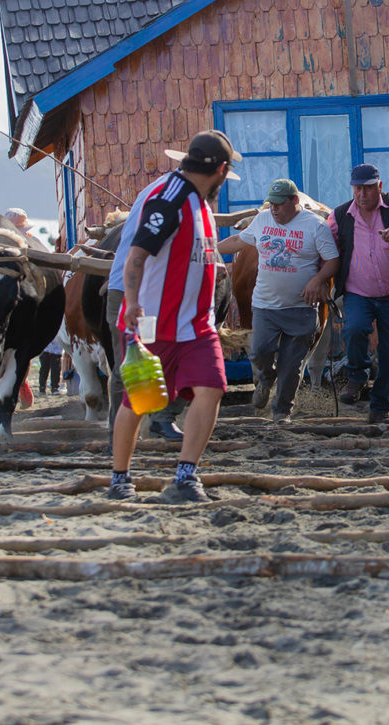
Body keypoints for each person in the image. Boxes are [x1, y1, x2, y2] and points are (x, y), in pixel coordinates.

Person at [106, 130, 240, 503]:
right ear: (222, 170)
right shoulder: (170, 199)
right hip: (153, 321)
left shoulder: (200, 203)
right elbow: (136, 257)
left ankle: (185, 476)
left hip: (197, 323)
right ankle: (120, 478)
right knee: (139, 400)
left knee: (212, 388)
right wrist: (131, 303)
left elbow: (197, 255)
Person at [221, 178, 339, 421]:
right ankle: (266, 377)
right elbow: (237, 241)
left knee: (291, 366)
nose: (273, 208)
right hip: (265, 305)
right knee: (259, 352)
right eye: (271, 203)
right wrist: (207, 248)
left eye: (279, 204)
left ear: (294, 201)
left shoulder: (316, 226)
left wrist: (318, 280)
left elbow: (332, 261)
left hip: (301, 308)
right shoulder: (262, 220)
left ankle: (282, 412)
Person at [327, 162, 389, 424]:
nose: (362, 194)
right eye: (357, 189)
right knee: (354, 328)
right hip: (359, 292)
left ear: (379, 186)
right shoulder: (340, 214)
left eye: (368, 188)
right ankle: (357, 376)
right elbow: (325, 240)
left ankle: (380, 406)